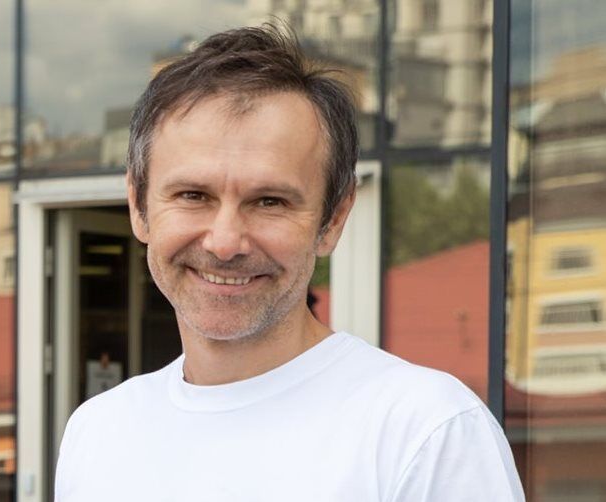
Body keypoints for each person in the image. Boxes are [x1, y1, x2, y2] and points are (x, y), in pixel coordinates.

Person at [54, 24, 525, 501]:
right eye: (193, 195)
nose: (224, 243)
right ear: (138, 206)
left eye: (270, 201)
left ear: (334, 218)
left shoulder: (426, 434)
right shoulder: (97, 433)